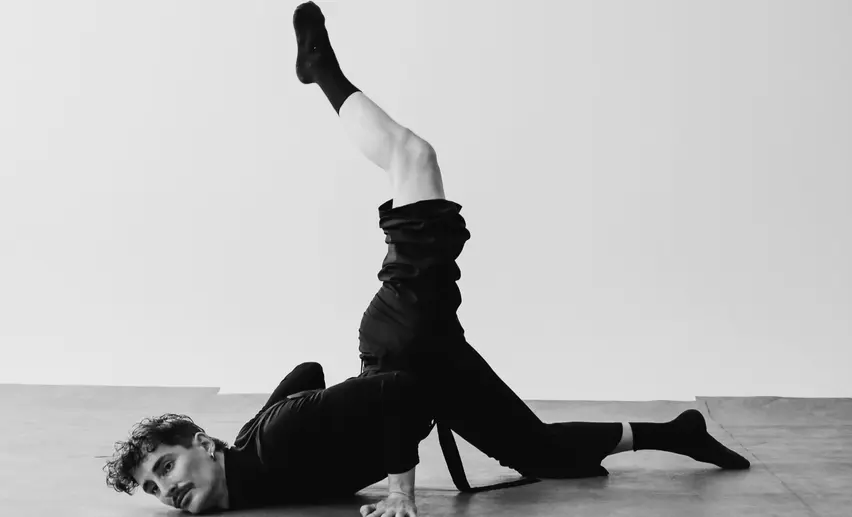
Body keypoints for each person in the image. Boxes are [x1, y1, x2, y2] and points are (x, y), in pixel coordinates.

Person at [102, 3, 751, 516]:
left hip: (406, 346)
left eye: (164, 467)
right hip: (409, 357)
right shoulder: (254, 456)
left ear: (201, 444)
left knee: (414, 157)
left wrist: (400, 487)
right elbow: (307, 372)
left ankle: (320, 68)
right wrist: (292, 420)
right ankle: (678, 432)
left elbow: (395, 393)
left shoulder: (276, 444)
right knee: (542, 454)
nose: (167, 489)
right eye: (153, 488)